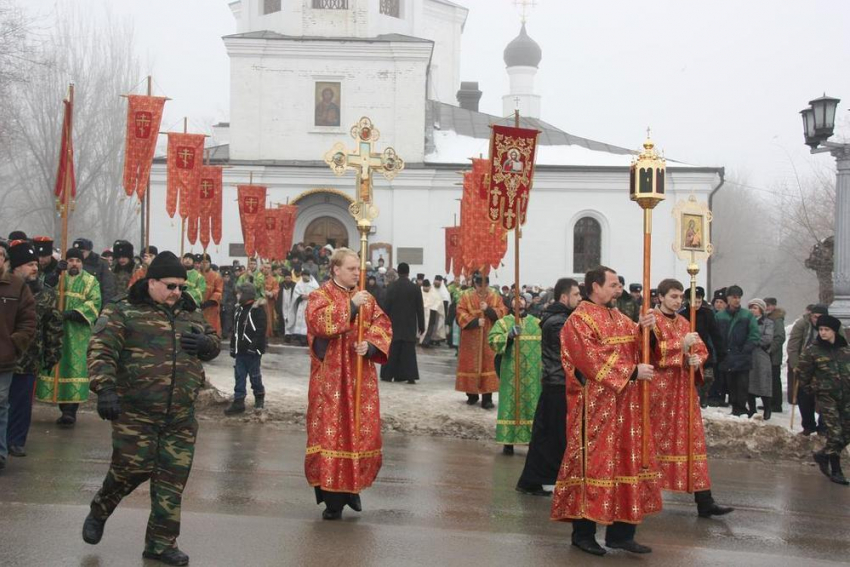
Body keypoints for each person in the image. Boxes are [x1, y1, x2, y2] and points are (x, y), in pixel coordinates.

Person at [83, 251, 220, 565]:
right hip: (136, 412)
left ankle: (161, 544)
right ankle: (101, 508)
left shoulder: (188, 310)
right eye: (171, 286)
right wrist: (104, 389)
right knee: (131, 469)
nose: (177, 293)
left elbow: (212, 341)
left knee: (171, 479)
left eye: (181, 287)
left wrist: (205, 345)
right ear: (151, 282)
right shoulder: (123, 311)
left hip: (180, 415)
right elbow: (102, 351)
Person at [551, 266, 660, 556]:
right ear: (595, 287)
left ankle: (622, 533)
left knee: (626, 462)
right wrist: (632, 371)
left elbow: (638, 345)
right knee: (593, 465)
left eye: (618, 285)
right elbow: (589, 360)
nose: (619, 289)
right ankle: (583, 533)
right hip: (595, 408)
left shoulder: (618, 316)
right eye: (613, 285)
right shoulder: (579, 320)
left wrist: (646, 330)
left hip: (625, 406)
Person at [304, 248, 392, 520]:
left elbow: (383, 323)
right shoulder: (320, 296)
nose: (358, 273)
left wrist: (372, 343)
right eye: (352, 269)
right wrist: (352, 306)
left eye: (358, 269)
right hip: (330, 380)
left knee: (358, 432)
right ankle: (332, 499)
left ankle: (353, 488)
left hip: (359, 377)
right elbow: (319, 323)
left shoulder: (366, 296)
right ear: (335, 270)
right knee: (332, 432)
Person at [649, 279, 734, 517]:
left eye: (679, 297)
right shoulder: (652, 322)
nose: (677, 301)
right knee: (654, 442)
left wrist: (695, 361)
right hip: (660, 393)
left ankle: (704, 500)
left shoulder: (686, 322)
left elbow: (700, 349)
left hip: (684, 392)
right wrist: (679, 345)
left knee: (692, 441)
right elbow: (650, 353)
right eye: (673, 296)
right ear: (661, 297)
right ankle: (643, 494)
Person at [516, 277, 580, 496]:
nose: (579, 299)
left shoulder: (561, 318)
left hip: (557, 383)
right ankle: (546, 479)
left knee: (545, 433)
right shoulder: (559, 322)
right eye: (576, 295)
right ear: (564, 297)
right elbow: (572, 350)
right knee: (553, 435)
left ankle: (532, 479)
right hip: (558, 383)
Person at [7, 241, 63, 458]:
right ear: (16, 267)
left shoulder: (47, 294)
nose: (35, 268)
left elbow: (53, 326)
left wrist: (52, 354)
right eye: (29, 264)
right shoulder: (6, 289)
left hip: (29, 359)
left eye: (35, 264)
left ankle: (16, 441)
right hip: (5, 357)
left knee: (22, 404)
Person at [36, 248, 101, 427]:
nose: (74, 263)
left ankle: (70, 411)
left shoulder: (90, 281)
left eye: (77, 261)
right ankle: (61, 406)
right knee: (57, 366)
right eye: (71, 260)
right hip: (54, 331)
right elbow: (42, 291)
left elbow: (95, 302)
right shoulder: (58, 277)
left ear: (82, 263)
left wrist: (72, 313)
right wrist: (55, 272)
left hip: (77, 332)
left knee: (75, 368)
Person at [796, 315, 850, 485]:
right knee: (835, 434)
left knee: (847, 433)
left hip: (846, 397)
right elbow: (802, 374)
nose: (823, 333)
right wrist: (814, 389)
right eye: (820, 329)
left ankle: (822, 454)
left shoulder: (845, 350)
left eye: (826, 329)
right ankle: (836, 469)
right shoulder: (813, 351)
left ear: (834, 331)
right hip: (827, 398)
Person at [488, 294, 541, 455]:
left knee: (531, 405)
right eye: (515, 298)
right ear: (509, 302)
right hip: (511, 373)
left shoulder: (537, 323)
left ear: (528, 302)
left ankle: (533, 441)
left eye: (522, 298)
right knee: (510, 404)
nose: (519, 301)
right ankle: (508, 442)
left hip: (533, 374)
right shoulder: (503, 323)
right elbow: (493, 340)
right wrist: (508, 336)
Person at [0, 242, 36, 471]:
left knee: (1, 404)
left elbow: (28, 320)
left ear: (4, 260)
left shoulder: (16, 286)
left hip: (4, 359)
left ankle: (0, 454)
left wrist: (14, 344)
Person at [455, 272, 507, 409]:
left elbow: (502, 313)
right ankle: (471, 395)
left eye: (484, 286)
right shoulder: (466, 296)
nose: (481, 289)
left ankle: (487, 398)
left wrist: (488, 310)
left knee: (488, 365)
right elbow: (460, 312)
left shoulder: (495, 296)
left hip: (488, 337)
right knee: (471, 365)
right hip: (471, 338)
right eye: (479, 286)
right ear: (475, 284)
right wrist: (475, 321)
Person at [714, 285, 759, 417]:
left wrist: (746, 348)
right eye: (734, 297)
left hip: (742, 356)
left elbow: (754, 334)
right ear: (728, 298)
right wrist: (720, 351)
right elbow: (716, 335)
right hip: (727, 356)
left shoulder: (747, 315)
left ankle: (741, 408)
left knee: (742, 384)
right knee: (730, 384)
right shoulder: (720, 316)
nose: (737, 300)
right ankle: (735, 408)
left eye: (739, 297)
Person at [380, 262, 424, 384]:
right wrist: (421, 325)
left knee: (393, 350)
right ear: (408, 272)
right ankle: (409, 376)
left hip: (394, 323)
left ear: (398, 272)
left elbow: (386, 307)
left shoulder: (391, 287)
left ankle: (388, 375)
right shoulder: (415, 288)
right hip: (409, 324)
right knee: (408, 351)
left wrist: (383, 323)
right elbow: (420, 308)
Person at [225, 283, 266, 415]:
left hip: (253, 351)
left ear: (246, 294)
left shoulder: (257, 310)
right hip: (240, 351)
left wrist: (253, 347)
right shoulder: (239, 310)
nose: (237, 295)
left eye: (239, 293)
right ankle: (238, 401)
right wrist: (232, 347)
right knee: (239, 376)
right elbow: (235, 331)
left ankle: (259, 397)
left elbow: (260, 331)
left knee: (254, 376)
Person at [747, 298, 774, 419]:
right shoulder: (746, 321)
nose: (752, 310)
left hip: (761, 354)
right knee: (749, 382)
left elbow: (768, 338)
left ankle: (767, 408)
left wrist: (754, 341)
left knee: (763, 382)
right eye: (751, 307)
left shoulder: (768, 323)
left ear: (761, 310)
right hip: (749, 354)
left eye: (755, 308)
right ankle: (752, 409)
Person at [73, 237, 116, 305]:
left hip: (94, 304)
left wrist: (105, 308)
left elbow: (107, 288)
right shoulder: (71, 263)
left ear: (89, 251)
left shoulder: (101, 264)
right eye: (76, 252)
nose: (79, 255)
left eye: (82, 252)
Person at [764, 297, 786, 412]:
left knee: (774, 379)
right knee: (767, 379)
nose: (767, 308)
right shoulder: (766, 318)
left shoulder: (777, 319)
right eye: (765, 305)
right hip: (766, 354)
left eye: (769, 305)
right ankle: (769, 401)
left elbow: (780, 337)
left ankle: (776, 403)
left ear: (774, 306)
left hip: (774, 354)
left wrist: (771, 349)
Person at [291, 271, 319, 346]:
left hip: (311, 305)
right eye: (303, 276)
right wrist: (300, 297)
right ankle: (301, 338)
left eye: (306, 276)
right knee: (301, 321)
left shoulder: (314, 285)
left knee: (308, 321)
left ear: (309, 276)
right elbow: (295, 294)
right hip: (302, 304)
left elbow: (318, 295)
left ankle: (309, 339)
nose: (304, 278)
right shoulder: (299, 284)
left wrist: (310, 297)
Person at [199, 254, 223, 336]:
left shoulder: (216, 276)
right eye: (202, 262)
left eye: (207, 262)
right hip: (198, 307)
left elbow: (219, 291)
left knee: (212, 329)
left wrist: (210, 302)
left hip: (211, 308)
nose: (204, 264)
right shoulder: (196, 275)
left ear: (210, 263)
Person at [420, 279, 446, 347]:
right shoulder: (420, 291)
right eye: (424, 288)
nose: (425, 289)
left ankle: (426, 341)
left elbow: (438, 302)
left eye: (427, 287)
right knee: (422, 327)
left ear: (429, 286)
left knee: (430, 328)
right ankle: (421, 340)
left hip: (432, 313)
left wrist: (434, 306)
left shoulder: (434, 293)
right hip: (422, 313)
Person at [260, 261, 279, 338]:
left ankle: (267, 334)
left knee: (268, 318)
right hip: (258, 301)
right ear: (262, 268)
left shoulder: (274, 279)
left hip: (268, 303)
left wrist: (271, 293)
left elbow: (276, 289)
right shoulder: (258, 277)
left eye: (268, 268)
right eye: (265, 267)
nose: (266, 269)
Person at [277, 268, 296, 342]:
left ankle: (290, 334)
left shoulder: (294, 285)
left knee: (291, 318)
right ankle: (284, 333)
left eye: (289, 278)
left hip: (291, 303)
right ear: (284, 278)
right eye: (286, 278)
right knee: (284, 318)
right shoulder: (281, 285)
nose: (288, 279)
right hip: (283, 302)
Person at [220, 268, 237, 340]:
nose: (226, 278)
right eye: (225, 277)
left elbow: (235, 294)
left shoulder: (232, 285)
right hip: (221, 304)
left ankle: (225, 333)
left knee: (227, 319)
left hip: (229, 304)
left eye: (228, 277)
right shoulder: (220, 284)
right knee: (221, 318)